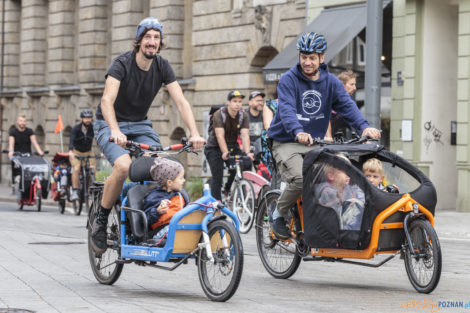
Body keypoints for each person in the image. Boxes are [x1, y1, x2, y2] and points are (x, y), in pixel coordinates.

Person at [91, 17, 205, 254]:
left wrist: (194, 133)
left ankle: (151, 220)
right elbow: (106, 100)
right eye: (148, 37)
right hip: (109, 123)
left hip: (140, 124)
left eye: (156, 38)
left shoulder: (162, 66)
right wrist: (114, 130)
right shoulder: (121, 63)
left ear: (160, 42)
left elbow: (181, 102)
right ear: (139, 40)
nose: (152, 42)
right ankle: (100, 221)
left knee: (161, 166)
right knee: (123, 167)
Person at [267, 32, 381, 239]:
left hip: (315, 142)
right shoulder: (288, 80)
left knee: (344, 175)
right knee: (301, 180)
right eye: (304, 57)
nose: (307, 62)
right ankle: (277, 214)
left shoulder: (331, 83)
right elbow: (286, 110)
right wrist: (298, 131)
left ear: (322, 58)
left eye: (312, 57)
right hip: (287, 140)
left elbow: (348, 107)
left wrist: (364, 127)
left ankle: (332, 221)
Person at [204, 90, 253, 200]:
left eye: (240, 101)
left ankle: (228, 189)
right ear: (228, 102)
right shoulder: (219, 114)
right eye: (234, 101)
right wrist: (225, 152)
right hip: (214, 148)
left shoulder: (243, 115)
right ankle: (216, 206)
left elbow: (245, 135)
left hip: (232, 146)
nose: (237, 104)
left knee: (243, 163)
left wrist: (247, 152)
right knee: (218, 177)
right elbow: (219, 136)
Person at [143, 157, 188, 245]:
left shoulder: (180, 194)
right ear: (169, 182)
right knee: (173, 228)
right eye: (181, 178)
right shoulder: (154, 197)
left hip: (178, 226)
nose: (184, 180)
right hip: (160, 231)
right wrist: (157, 211)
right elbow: (146, 218)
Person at [315, 155, 365, 231]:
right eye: (345, 171)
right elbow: (333, 217)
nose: (349, 174)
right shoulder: (328, 192)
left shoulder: (348, 188)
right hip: (334, 229)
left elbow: (359, 193)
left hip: (348, 225)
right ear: (331, 176)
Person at [8, 114, 45, 187]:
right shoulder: (13, 132)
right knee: (17, 174)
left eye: (24, 121)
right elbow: (11, 143)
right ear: (17, 122)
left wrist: (40, 151)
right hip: (16, 156)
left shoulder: (29, 131)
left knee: (29, 174)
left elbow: (35, 143)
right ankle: (16, 184)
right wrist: (11, 151)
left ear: (26, 123)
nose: (22, 123)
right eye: (21, 121)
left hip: (27, 155)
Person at [68, 109, 95, 201]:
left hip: (88, 151)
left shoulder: (93, 128)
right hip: (76, 152)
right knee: (76, 168)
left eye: (89, 118)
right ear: (82, 119)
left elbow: (99, 140)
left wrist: (103, 151)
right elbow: (71, 140)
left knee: (92, 169)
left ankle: (91, 190)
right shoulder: (76, 128)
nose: (88, 120)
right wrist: (70, 151)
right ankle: (75, 191)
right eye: (86, 118)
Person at [326, 70, 358, 140]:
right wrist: (328, 137)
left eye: (355, 84)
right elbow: (326, 118)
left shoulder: (349, 103)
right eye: (351, 84)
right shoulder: (331, 99)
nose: (355, 88)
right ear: (342, 85)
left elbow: (356, 121)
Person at [247, 90, 265, 158]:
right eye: (257, 101)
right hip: (248, 148)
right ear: (250, 102)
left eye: (261, 100)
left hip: (263, 148)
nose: (260, 103)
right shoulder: (244, 115)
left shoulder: (265, 114)